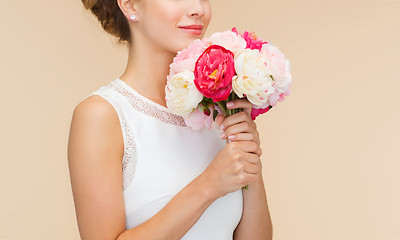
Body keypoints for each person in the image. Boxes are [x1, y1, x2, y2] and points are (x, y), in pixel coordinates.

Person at [67, 0, 273, 239]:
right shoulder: (102, 115)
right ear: (130, 4)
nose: (198, 9)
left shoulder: (219, 112)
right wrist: (209, 185)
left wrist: (249, 159)